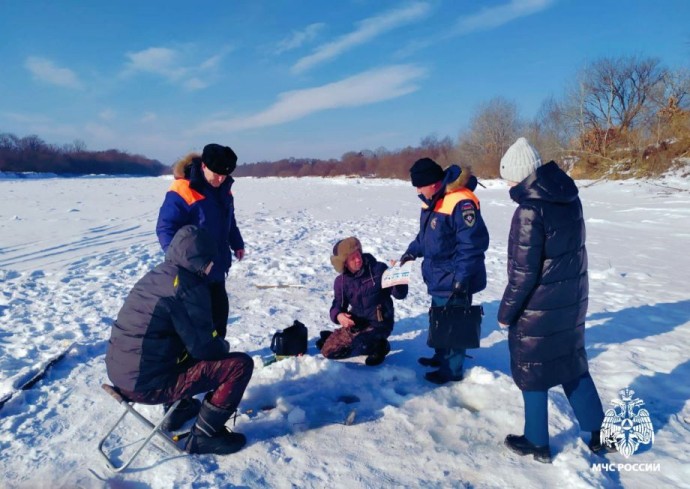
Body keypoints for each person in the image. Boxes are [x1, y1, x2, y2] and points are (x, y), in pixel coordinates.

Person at [497, 137, 612, 463]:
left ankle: (536, 441)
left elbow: (523, 273)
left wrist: (506, 313)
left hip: (538, 308)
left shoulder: (529, 211)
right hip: (570, 301)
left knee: (532, 368)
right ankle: (599, 433)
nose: (505, 183)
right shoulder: (568, 198)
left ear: (519, 175)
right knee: (571, 364)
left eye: (507, 177)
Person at [105, 225, 254, 455]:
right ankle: (205, 435)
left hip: (121, 373)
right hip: (146, 385)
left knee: (182, 348)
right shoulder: (187, 287)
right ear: (201, 259)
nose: (213, 265)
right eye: (210, 259)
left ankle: (180, 409)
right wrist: (222, 346)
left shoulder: (159, 274)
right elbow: (204, 348)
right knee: (239, 366)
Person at [399, 158, 489, 384]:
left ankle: (453, 369)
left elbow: (471, 245)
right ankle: (441, 357)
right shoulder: (431, 201)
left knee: (455, 325)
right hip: (438, 275)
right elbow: (426, 237)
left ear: (434, 183)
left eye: (420, 186)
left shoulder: (460, 202)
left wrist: (461, 279)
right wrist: (412, 252)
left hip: (455, 277)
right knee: (440, 320)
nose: (418, 191)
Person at [156, 143, 245, 341]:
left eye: (225, 175)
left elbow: (228, 220)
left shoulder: (224, 190)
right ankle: (197, 364)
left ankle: (218, 358)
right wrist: (178, 260)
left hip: (217, 266)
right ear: (204, 166)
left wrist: (236, 242)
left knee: (219, 317)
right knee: (197, 323)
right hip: (192, 271)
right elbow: (165, 228)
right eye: (217, 174)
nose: (221, 179)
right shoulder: (183, 189)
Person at [318, 237, 408, 366]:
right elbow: (338, 304)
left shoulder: (378, 269)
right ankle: (342, 339)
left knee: (360, 344)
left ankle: (381, 346)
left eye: (358, 254)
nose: (358, 259)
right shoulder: (341, 281)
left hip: (380, 323)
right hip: (358, 323)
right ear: (344, 263)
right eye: (352, 258)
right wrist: (338, 315)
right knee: (328, 351)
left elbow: (399, 294)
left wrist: (399, 277)